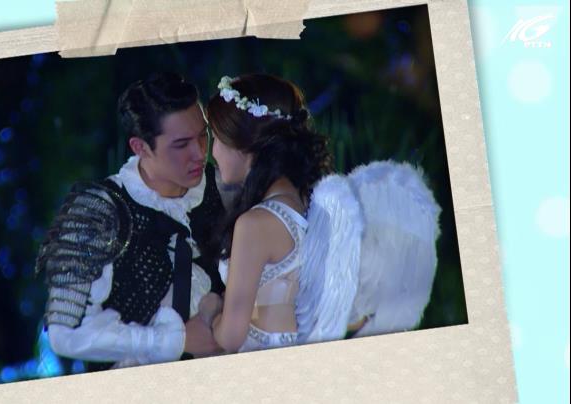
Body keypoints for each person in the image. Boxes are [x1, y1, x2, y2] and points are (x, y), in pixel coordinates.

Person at [198, 74, 442, 353]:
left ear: (245, 145)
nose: (213, 152)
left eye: (217, 139)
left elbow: (231, 335)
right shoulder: (307, 204)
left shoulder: (255, 224)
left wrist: (211, 312)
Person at [35, 72, 226, 371]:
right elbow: (66, 333)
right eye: (181, 144)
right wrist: (172, 341)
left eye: (203, 134)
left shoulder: (224, 186)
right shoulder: (95, 211)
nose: (200, 152)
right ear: (140, 147)